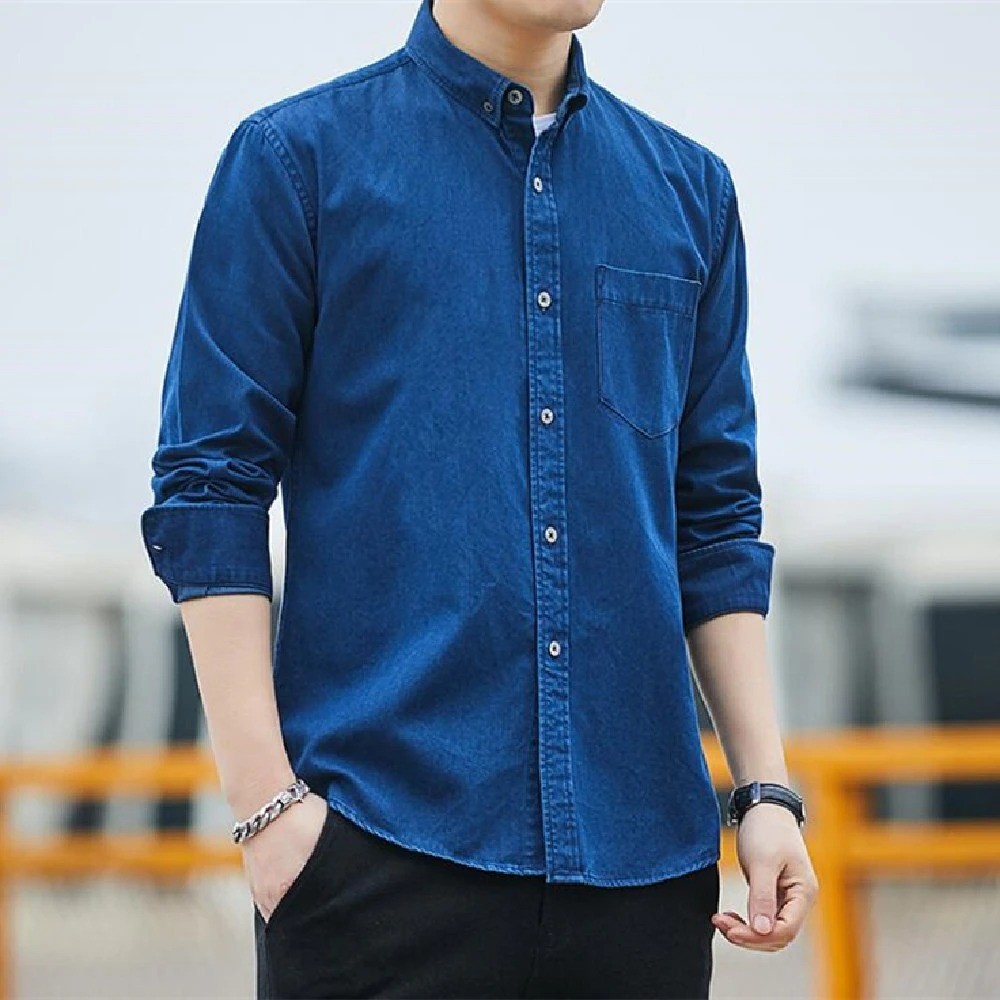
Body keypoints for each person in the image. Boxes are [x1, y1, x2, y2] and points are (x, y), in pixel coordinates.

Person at [140, 0, 819, 996]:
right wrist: (269, 816)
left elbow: (714, 519)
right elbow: (210, 490)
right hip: (375, 859)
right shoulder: (299, 162)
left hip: (640, 872)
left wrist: (764, 792)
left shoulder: (688, 192)